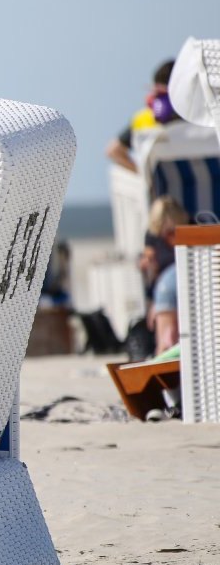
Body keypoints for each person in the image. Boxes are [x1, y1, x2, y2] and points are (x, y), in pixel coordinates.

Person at [105, 59, 180, 174]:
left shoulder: (144, 118)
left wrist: (146, 176)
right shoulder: (202, 113)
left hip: (162, 184)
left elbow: (114, 151)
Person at [139, 195, 189, 356]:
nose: (168, 234)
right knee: (166, 340)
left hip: (178, 285)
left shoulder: (190, 229)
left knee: (166, 341)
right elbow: (151, 267)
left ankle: (162, 361)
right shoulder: (154, 237)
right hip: (168, 287)